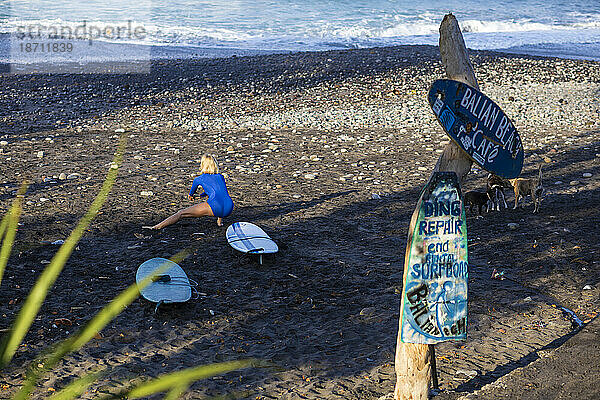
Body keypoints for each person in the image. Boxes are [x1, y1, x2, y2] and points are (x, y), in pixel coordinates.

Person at [148, 154, 233, 229]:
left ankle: (157, 226)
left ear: (202, 165)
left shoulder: (198, 179)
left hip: (215, 207)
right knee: (218, 197)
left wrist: (191, 196)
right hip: (229, 207)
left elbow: (191, 193)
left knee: (181, 213)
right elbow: (218, 192)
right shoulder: (220, 176)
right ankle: (220, 221)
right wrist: (201, 195)